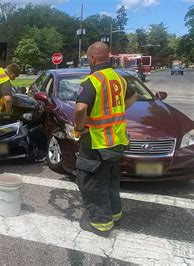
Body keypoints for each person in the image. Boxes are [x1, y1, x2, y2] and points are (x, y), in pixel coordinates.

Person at [74, 42, 137, 236]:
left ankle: (101, 223)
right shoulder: (118, 78)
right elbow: (133, 96)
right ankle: (115, 213)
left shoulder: (92, 81)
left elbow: (80, 109)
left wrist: (79, 128)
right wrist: (117, 112)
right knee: (110, 179)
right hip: (116, 141)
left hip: (96, 142)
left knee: (91, 183)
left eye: (88, 58)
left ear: (92, 58)